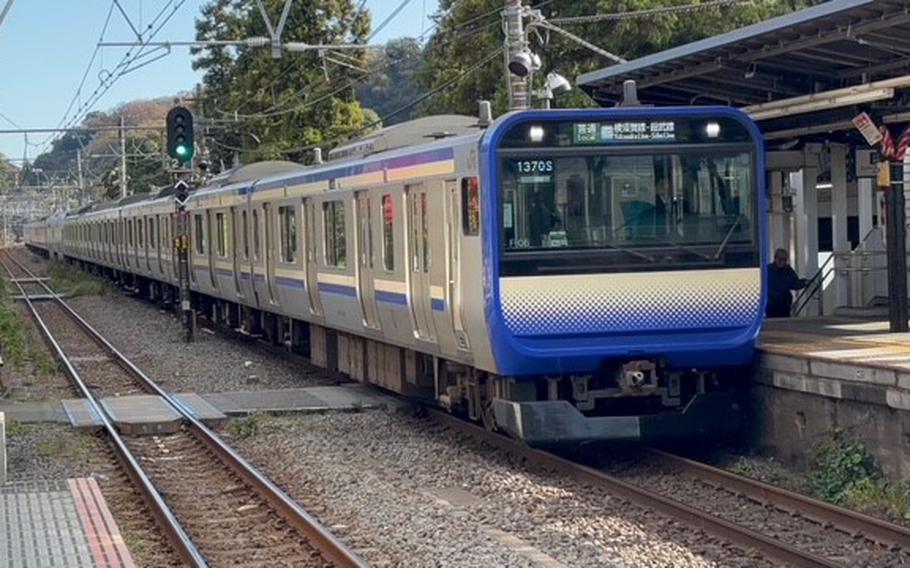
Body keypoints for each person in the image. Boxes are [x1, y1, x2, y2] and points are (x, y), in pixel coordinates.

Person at [766, 248, 808, 318]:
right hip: (771, 303)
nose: (782, 262)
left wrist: (804, 282)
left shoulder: (788, 270)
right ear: (775, 259)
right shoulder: (768, 270)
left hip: (784, 303)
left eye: (784, 260)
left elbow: (794, 283)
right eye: (780, 260)